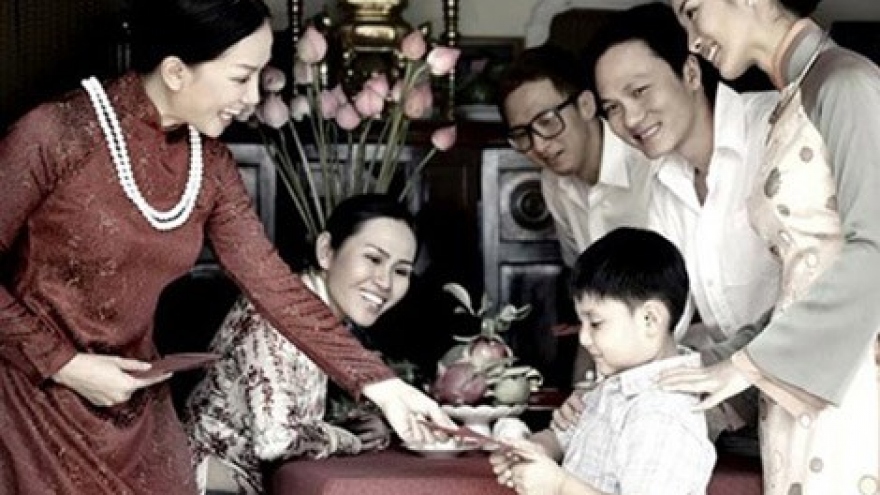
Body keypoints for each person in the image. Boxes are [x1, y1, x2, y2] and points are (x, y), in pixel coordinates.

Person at [0, 1, 450, 493]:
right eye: (241, 77)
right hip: (30, 405)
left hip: (135, 415)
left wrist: (384, 386)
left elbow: (274, 286)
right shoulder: (55, 133)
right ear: (176, 71)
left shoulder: (209, 164)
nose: (254, 97)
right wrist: (64, 364)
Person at [660, 0, 880, 493]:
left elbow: (876, 250)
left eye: (693, 11)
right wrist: (708, 366)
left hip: (854, 389)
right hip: (797, 393)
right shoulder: (793, 98)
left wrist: (749, 364)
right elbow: (804, 281)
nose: (692, 40)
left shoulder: (846, 84)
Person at [582, 1, 780, 437]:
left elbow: (816, 286)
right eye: (612, 108)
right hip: (747, 400)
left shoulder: (776, 127)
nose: (630, 119)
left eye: (640, 91)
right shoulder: (664, 182)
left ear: (690, 73)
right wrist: (604, 391)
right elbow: (664, 316)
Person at [185, 193, 417, 494]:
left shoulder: (317, 317)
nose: (385, 282)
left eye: (401, 271)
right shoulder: (280, 318)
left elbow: (289, 411)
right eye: (373, 259)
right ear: (326, 251)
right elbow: (275, 440)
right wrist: (348, 439)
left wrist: (356, 426)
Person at [489, 227, 716, 495]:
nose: (583, 338)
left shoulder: (664, 414)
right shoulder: (611, 387)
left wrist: (560, 486)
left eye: (596, 323)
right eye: (581, 323)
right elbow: (562, 439)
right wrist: (533, 450)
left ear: (650, 319)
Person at [497, 44, 655, 269]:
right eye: (522, 134)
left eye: (547, 121)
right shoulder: (553, 183)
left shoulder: (650, 163)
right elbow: (578, 270)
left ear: (586, 105)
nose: (539, 146)